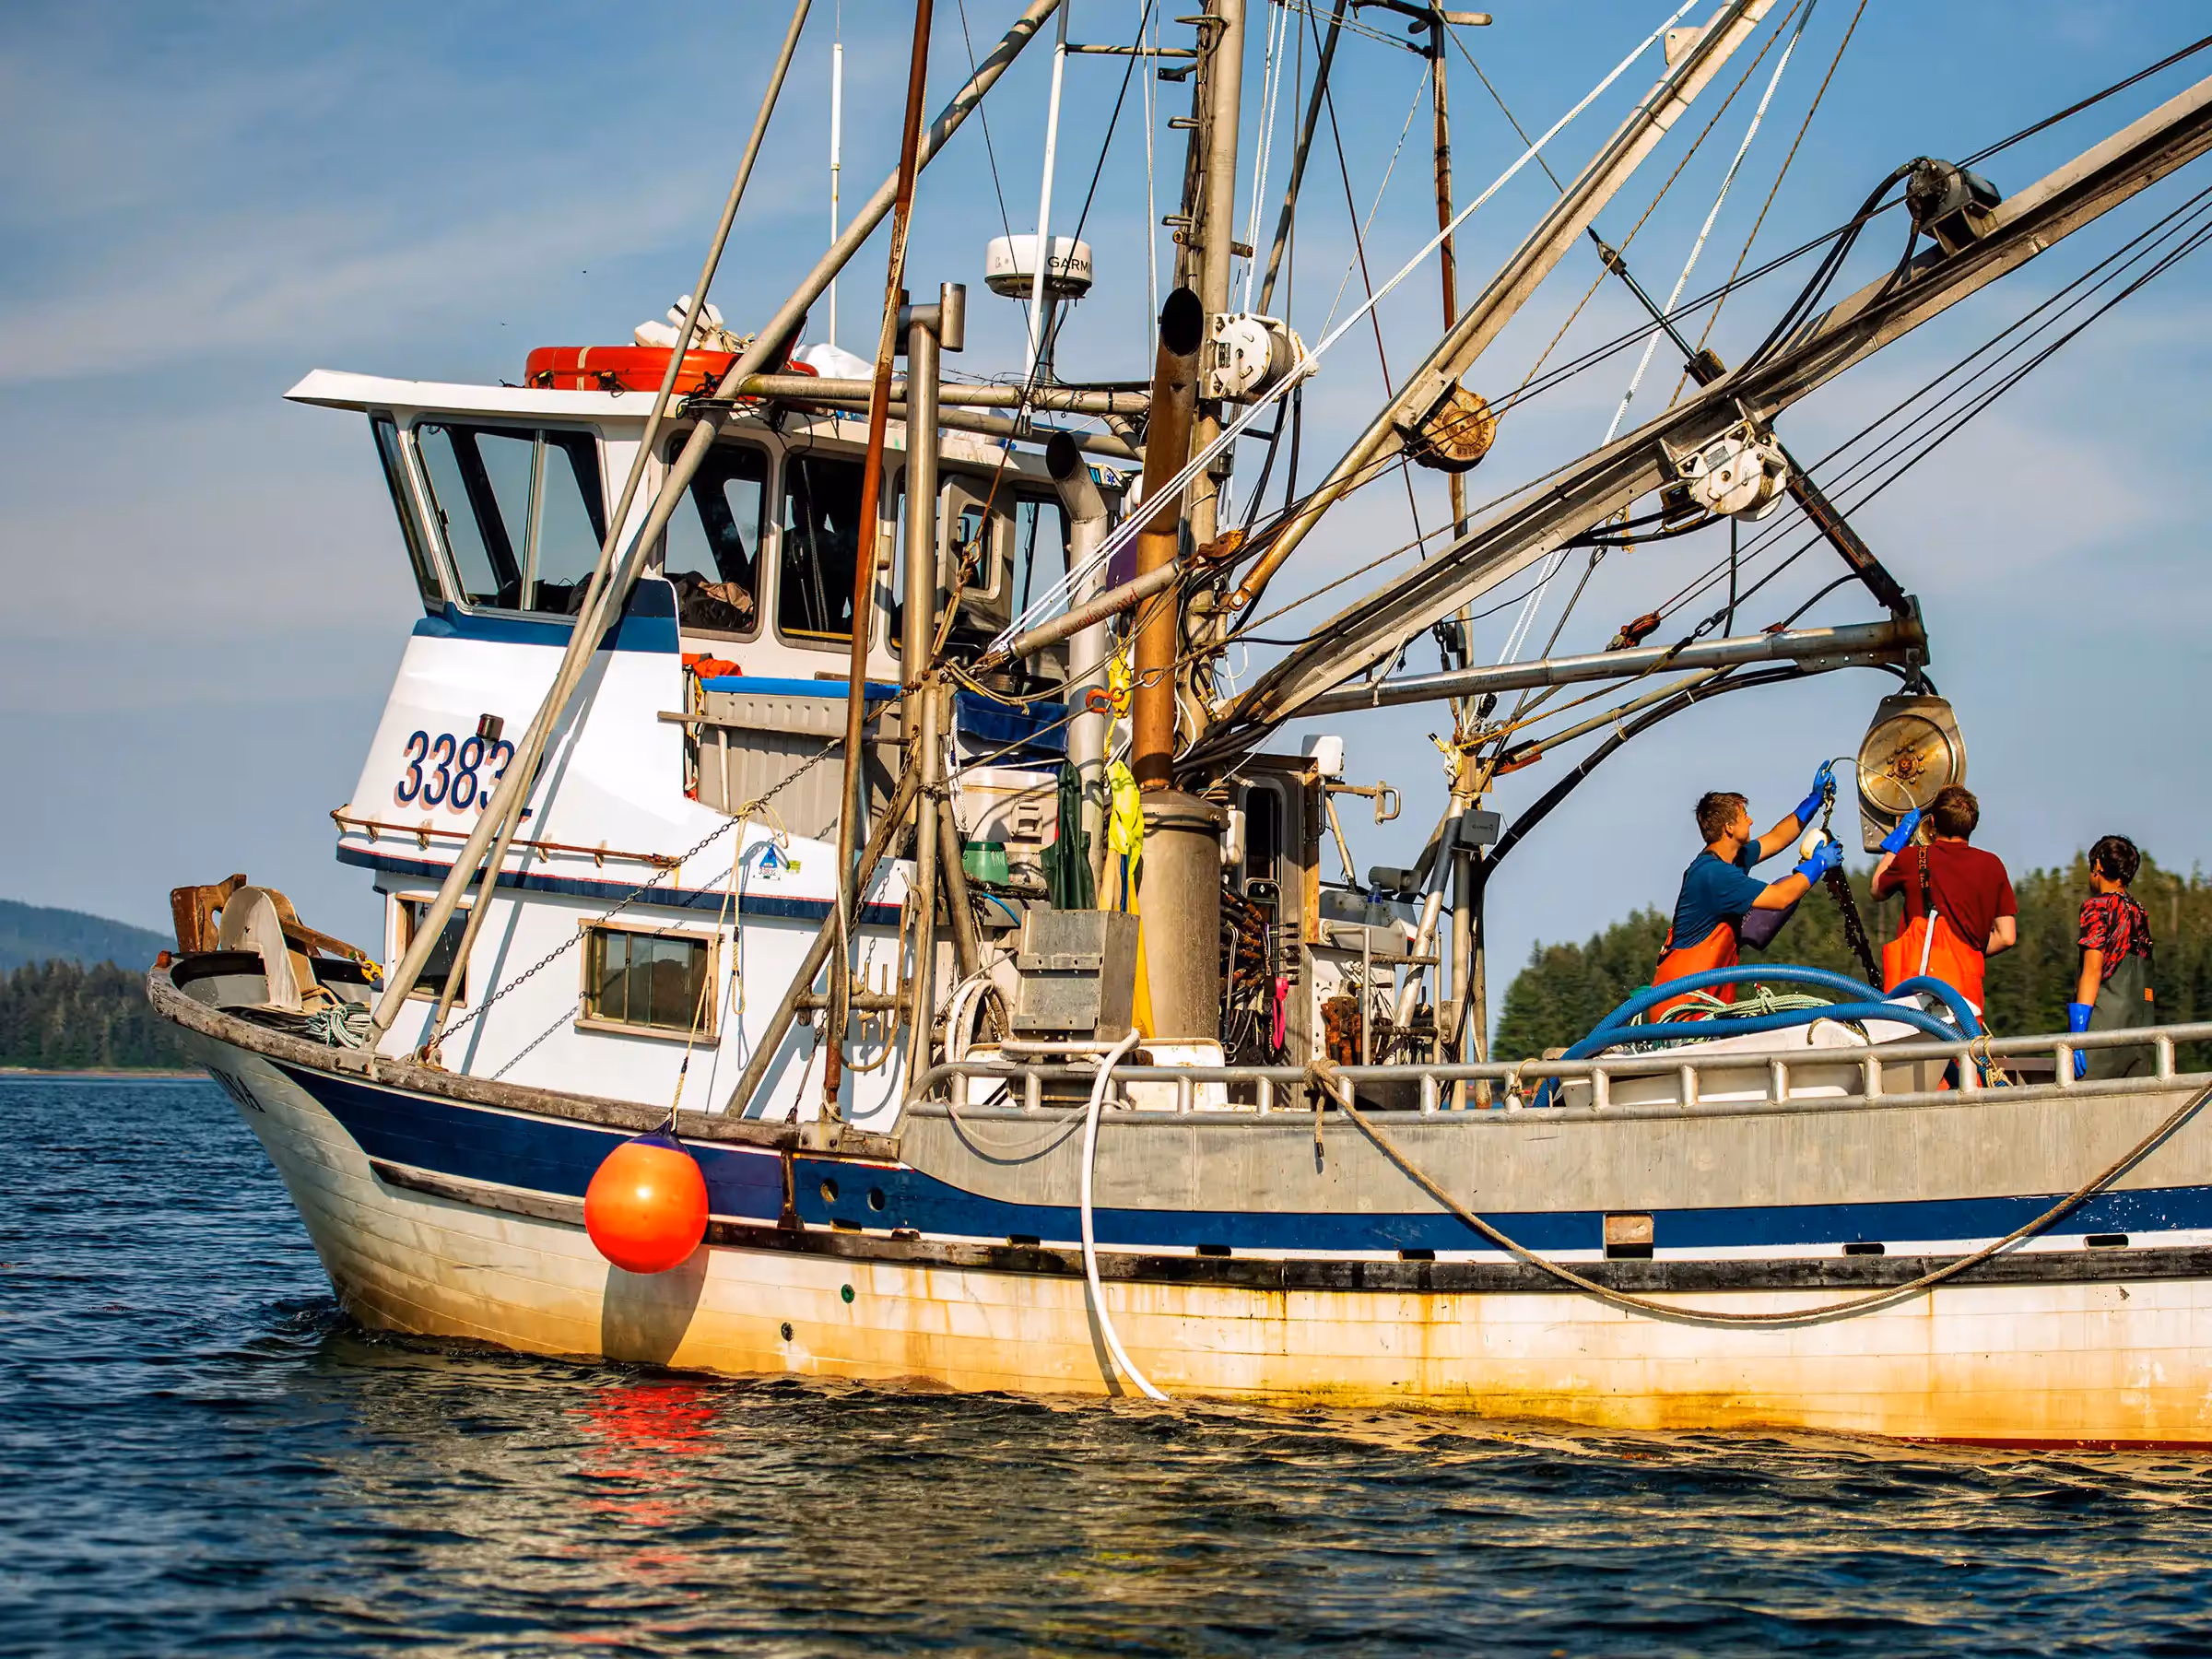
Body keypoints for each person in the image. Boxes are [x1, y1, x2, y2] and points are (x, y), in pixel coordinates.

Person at [1652, 764, 1845, 1017]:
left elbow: (1777, 838)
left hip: (1705, 1005)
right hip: (1681, 1011)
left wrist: (1814, 800)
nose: (1751, 820)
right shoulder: (1714, 875)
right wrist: (1818, 863)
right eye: (1744, 816)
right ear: (1729, 827)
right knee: (1782, 888)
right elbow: (1781, 898)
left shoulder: (1732, 858)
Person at [1871, 783, 2016, 1012]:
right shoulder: (1992, 865)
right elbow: (2007, 937)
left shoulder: (1912, 857)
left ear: (1934, 823)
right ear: (1972, 825)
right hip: (1965, 1000)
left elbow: (1877, 888)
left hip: (1909, 999)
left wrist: (1896, 844)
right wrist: (1968, 949)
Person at [2070, 834, 2158, 1080]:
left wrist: (2077, 1034)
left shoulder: (2098, 907)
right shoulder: (2139, 911)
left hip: (2105, 1025)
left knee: (2087, 1105)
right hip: (2142, 1028)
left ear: (2097, 865)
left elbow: (2093, 971)